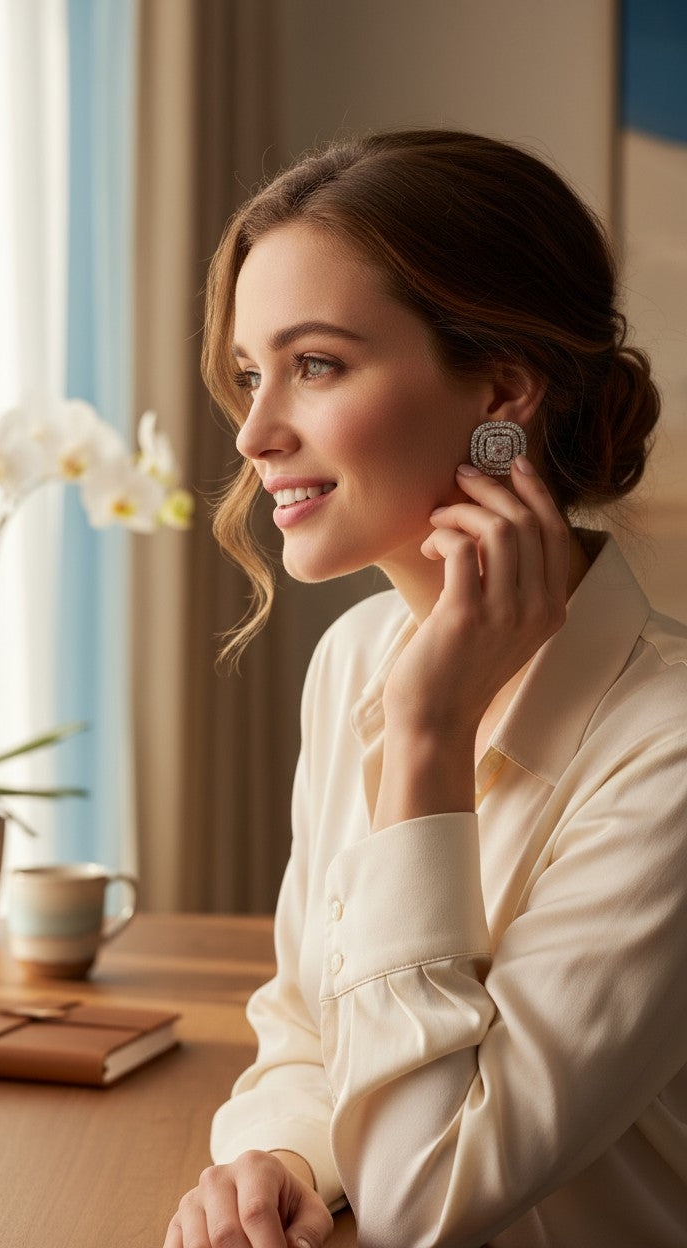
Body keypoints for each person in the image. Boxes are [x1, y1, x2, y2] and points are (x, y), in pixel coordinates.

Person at [162, 131, 687, 1248]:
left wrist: (429, 737)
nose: (254, 434)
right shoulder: (356, 654)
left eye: (316, 366)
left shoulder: (667, 749)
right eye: (251, 374)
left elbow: (422, 1201)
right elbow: (307, 1022)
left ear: (501, 392)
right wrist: (284, 1160)